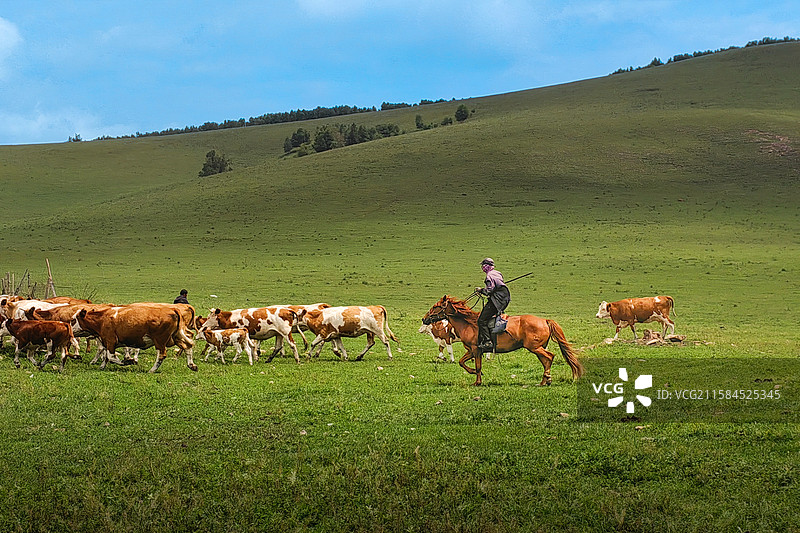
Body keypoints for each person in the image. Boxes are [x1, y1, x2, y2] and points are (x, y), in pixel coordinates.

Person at [475, 258, 510, 352]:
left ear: (486, 266)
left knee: (481, 320)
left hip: (496, 301)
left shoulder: (489, 276)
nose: (482, 267)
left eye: (483, 265)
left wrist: (481, 290)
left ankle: (487, 342)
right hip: (504, 299)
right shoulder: (497, 273)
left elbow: (489, 291)